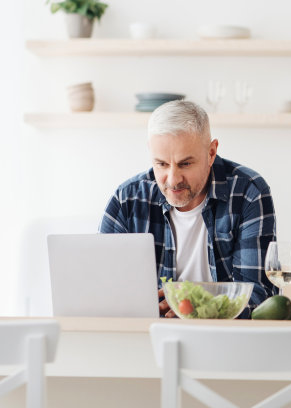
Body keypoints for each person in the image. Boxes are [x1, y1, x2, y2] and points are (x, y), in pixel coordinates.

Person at [99, 100, 277, 317]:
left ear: (211, 153)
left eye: (185, 164)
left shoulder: (248, 192)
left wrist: (196, 308)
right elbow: (103, 291)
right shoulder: (127, 200)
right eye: (161, 164)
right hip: (148, 336)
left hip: (226, 337)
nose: (173, 180)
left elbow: (259, 294)